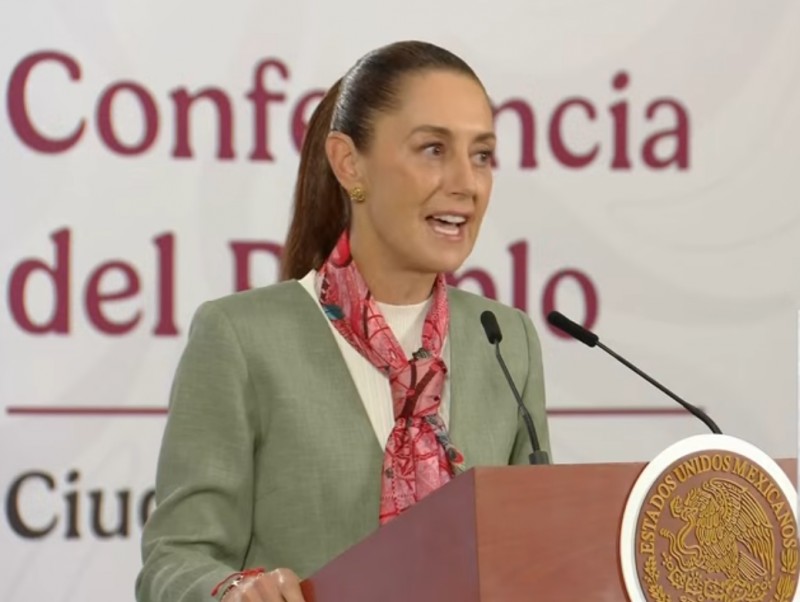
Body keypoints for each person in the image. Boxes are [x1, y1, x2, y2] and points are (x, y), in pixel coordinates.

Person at [135, 40, 551, 602]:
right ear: (349, 163)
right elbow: (174, 559)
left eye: (481, 155)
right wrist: (232, 591)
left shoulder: (505, 339)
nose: (467, 183)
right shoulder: (242, 338)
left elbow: (535, 553)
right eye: (433, 149)